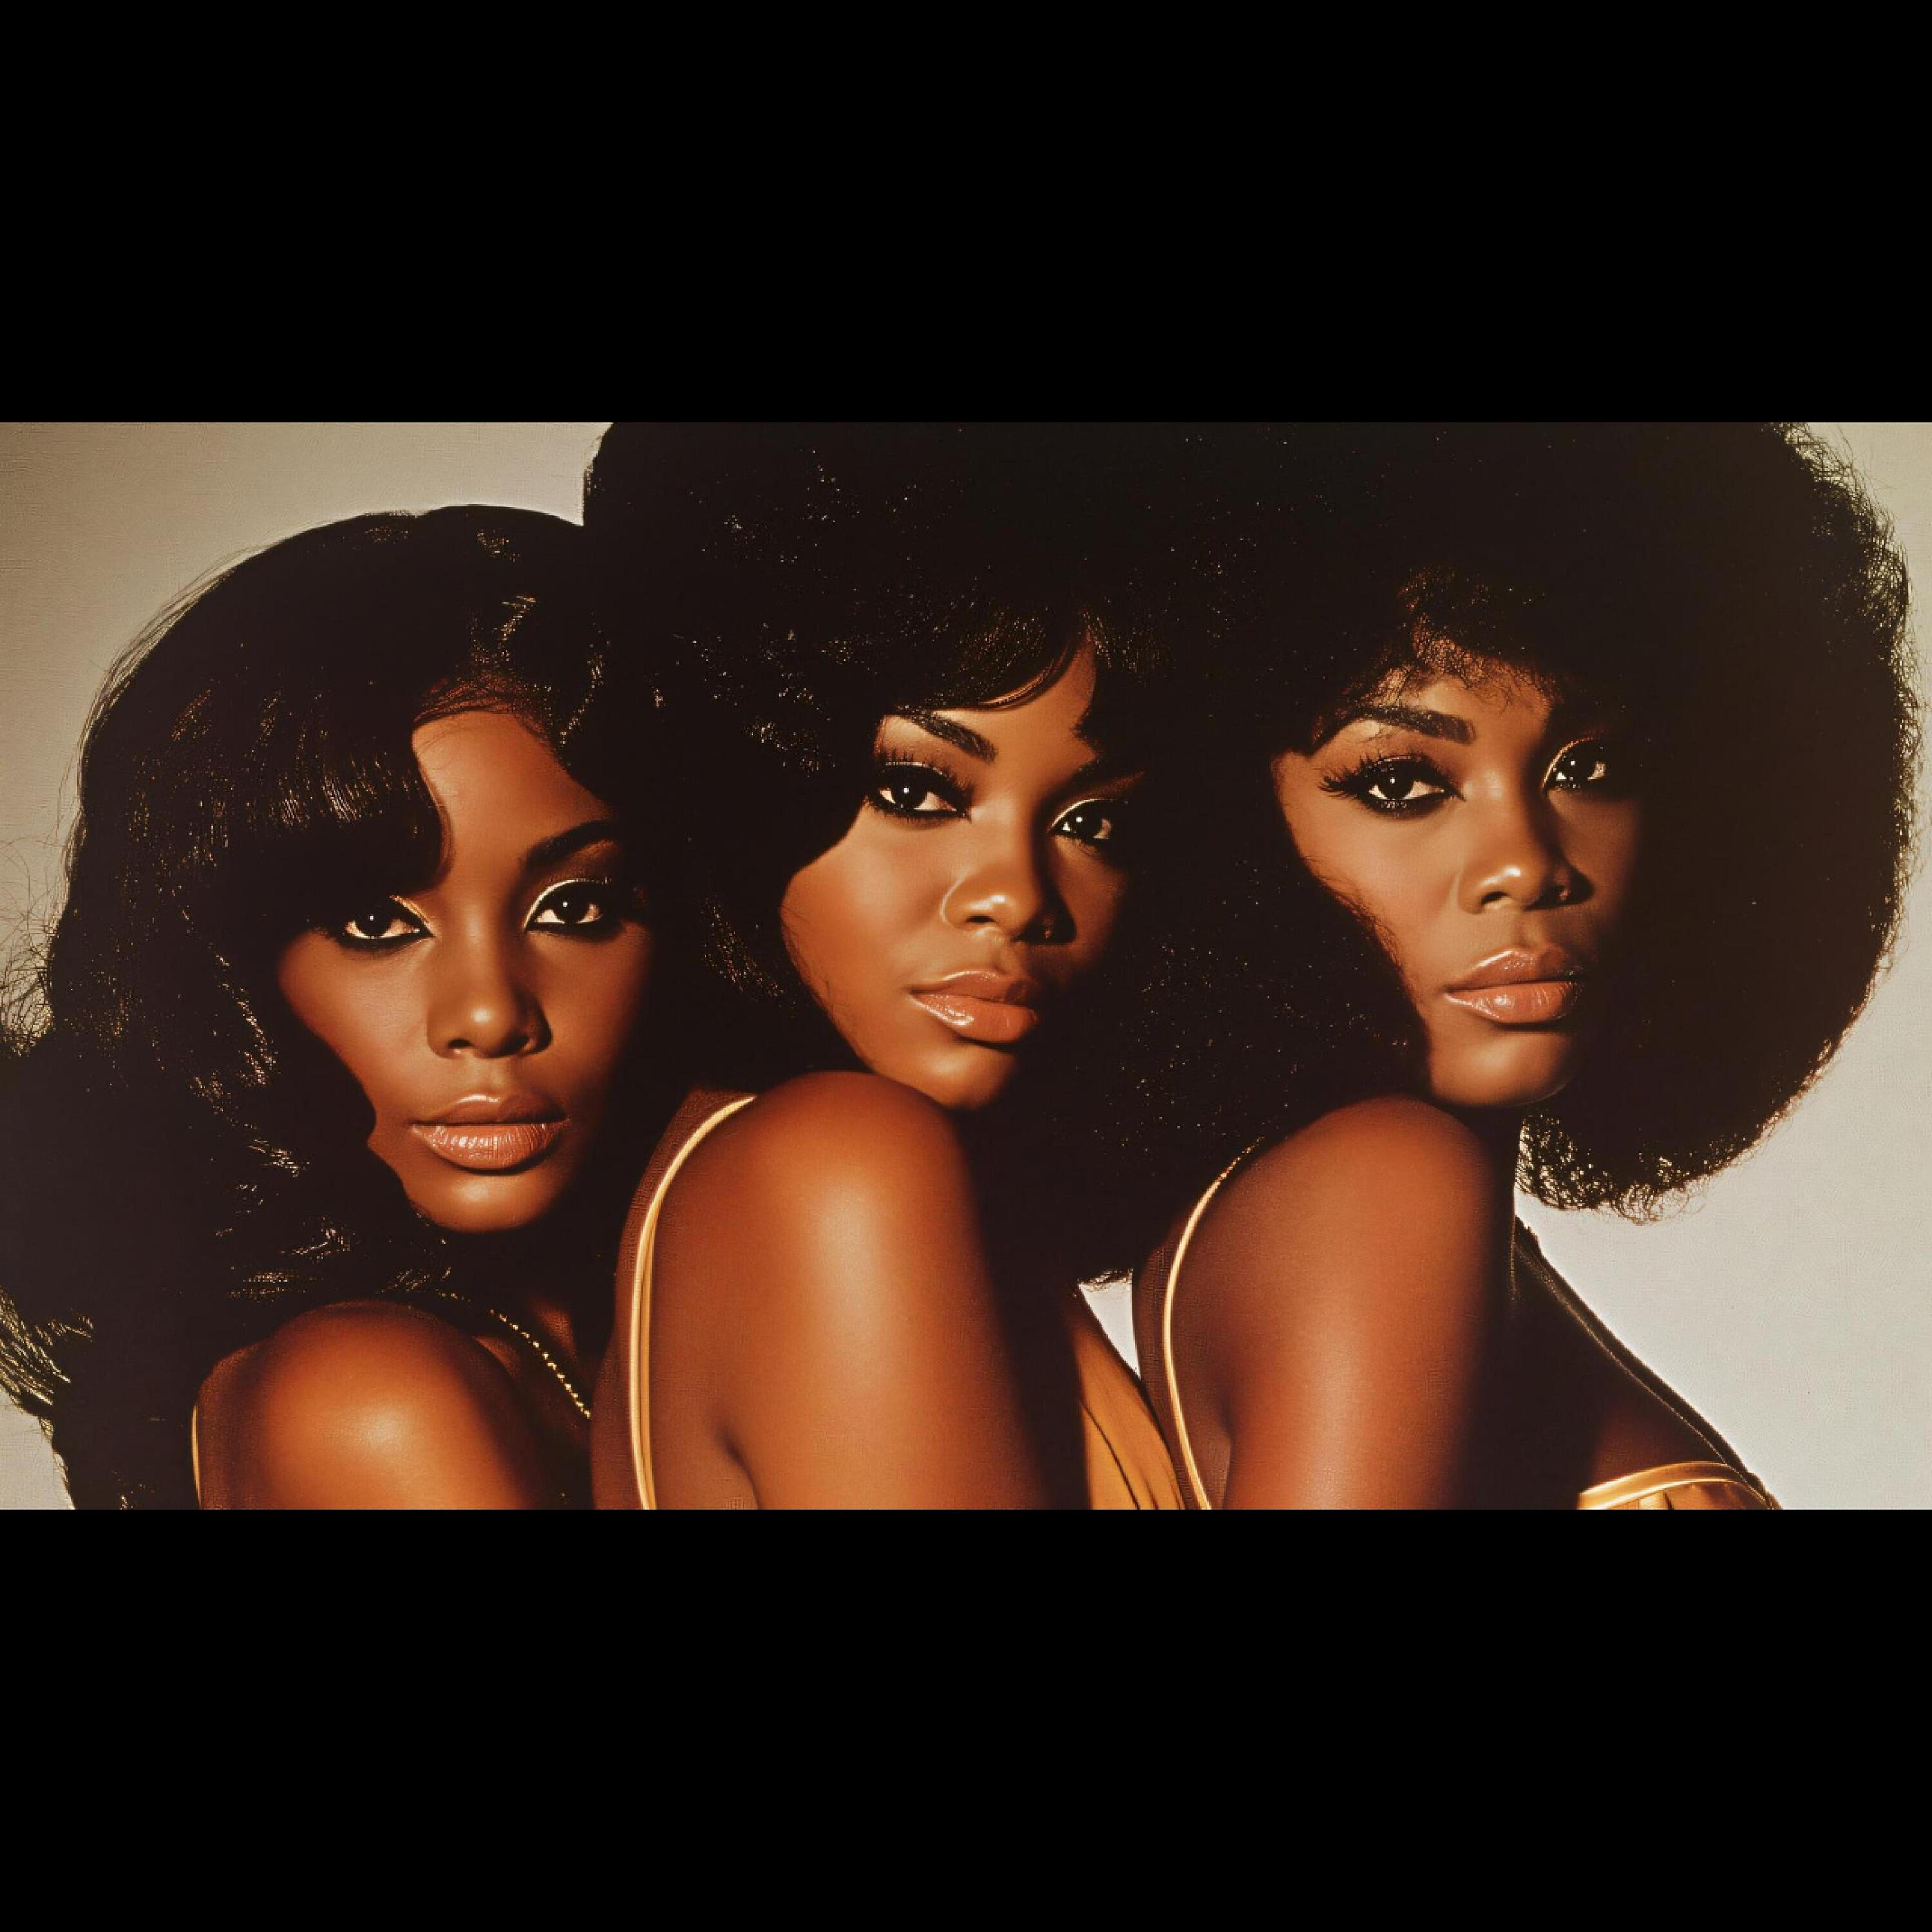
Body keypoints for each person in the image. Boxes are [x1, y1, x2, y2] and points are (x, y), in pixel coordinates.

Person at [1116, 423, 1918, 1508]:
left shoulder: (1343, 1207)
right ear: (1226, 825)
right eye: (1401, 783)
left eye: (1587, 766)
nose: (1528, 864)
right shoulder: (1382, 1190)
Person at [581, 422, 1211, 1507]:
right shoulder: (841, 1169)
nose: (1019, 895)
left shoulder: (761, 1170)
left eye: (1091, 822)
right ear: (745, 780)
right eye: (916, 792)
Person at [0, 507, 674, 1507]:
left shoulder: (597, 1322)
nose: (491, 1015)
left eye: (575, 908)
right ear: (228, 966)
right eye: (375, 923)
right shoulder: (367, 1393)